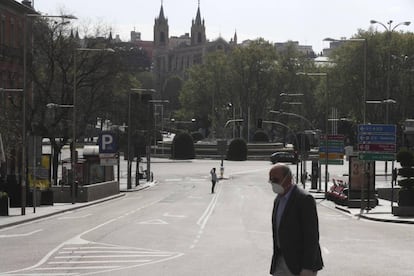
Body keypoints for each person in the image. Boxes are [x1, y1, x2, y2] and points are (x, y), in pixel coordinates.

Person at [269, 164, 323, 276]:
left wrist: (307, 267)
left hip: (300, 264)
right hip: (281, 260)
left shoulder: (304, 199)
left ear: (288, 178)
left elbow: (311, 236)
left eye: (275, 179)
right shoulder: (278, 199)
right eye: (271, 180)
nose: (273, 183)